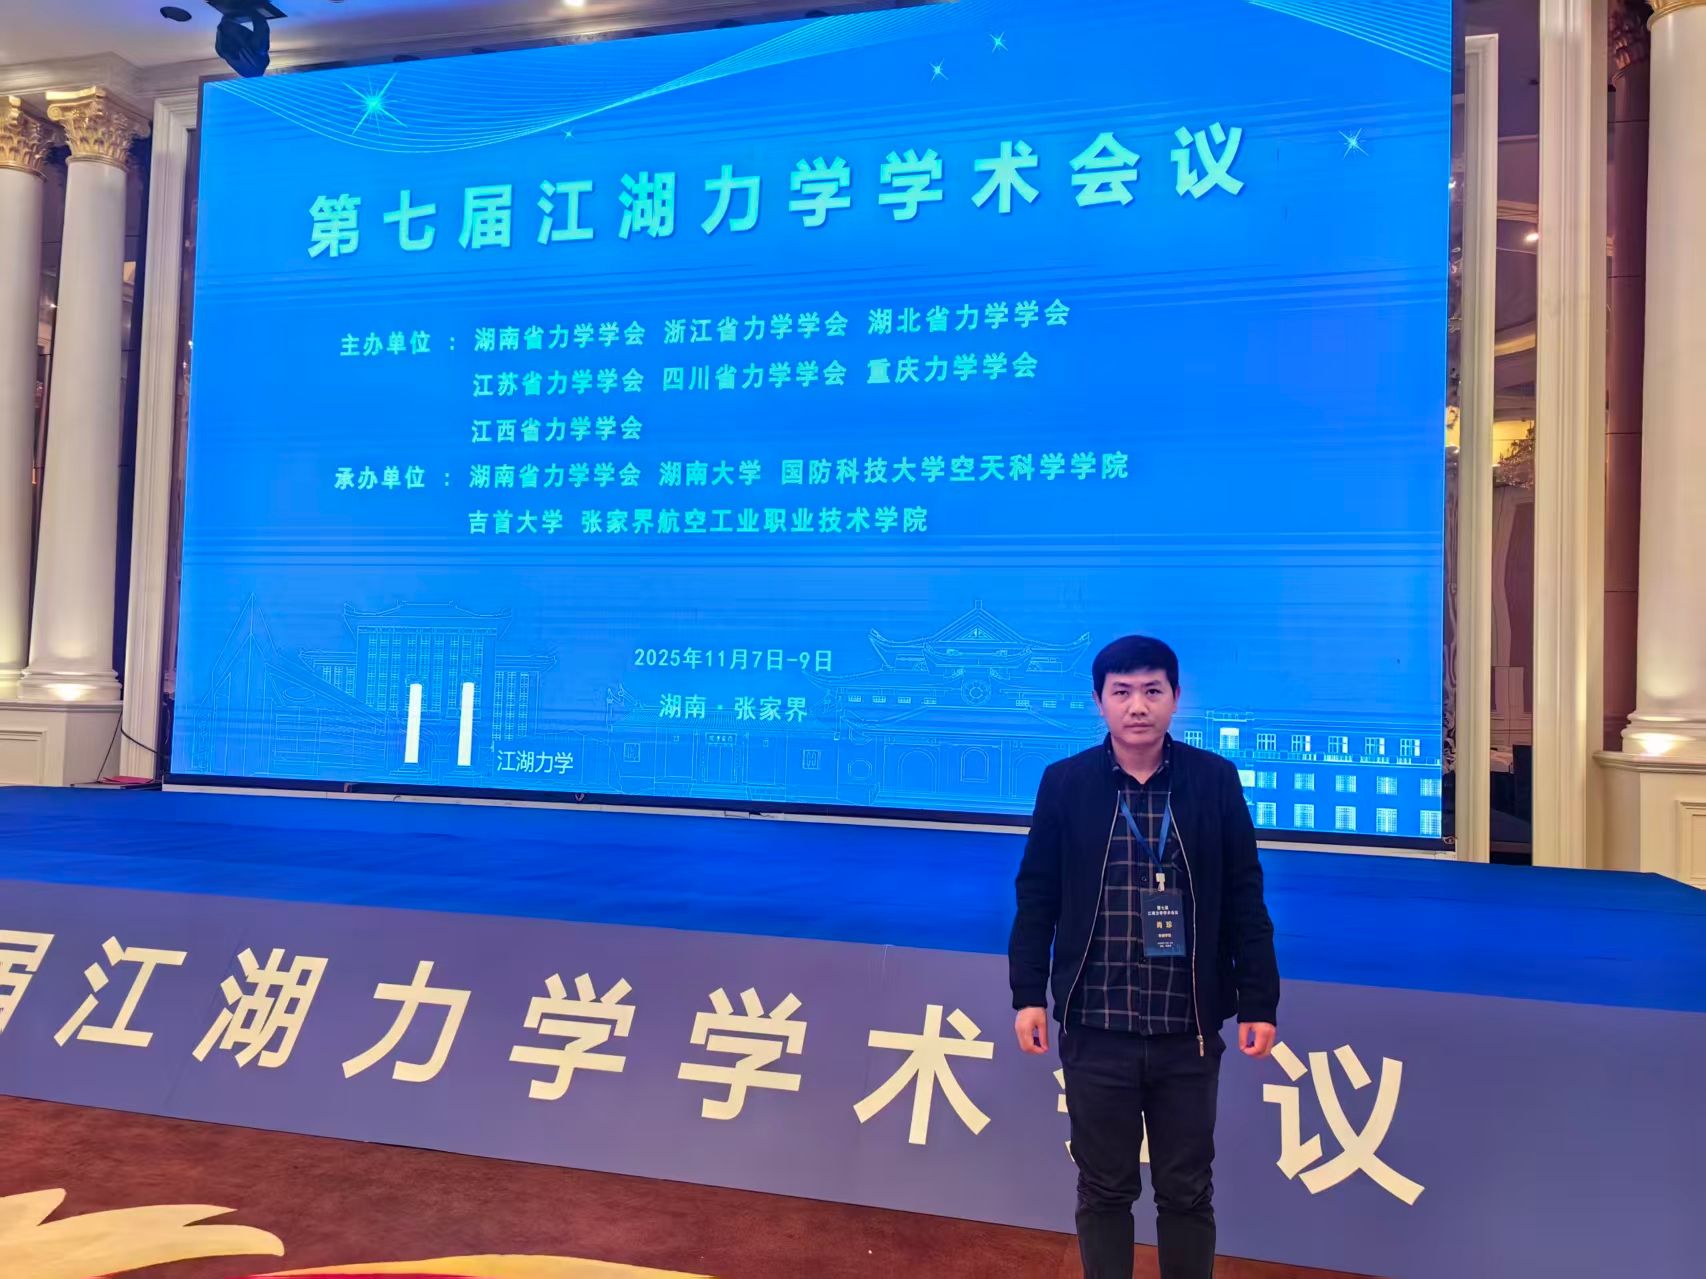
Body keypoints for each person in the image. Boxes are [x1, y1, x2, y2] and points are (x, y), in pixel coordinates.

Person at [1009, 635, 1279, 1279]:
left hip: (1187, 1030)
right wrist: (1027, 993)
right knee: (1104, 1189)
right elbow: (1037, 895)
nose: (1138, 706)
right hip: (1096, 1026)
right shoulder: (1066, 783)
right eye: (1122, 691)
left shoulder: (1213, 780)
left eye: (1152, 690)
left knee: (1186, 1192)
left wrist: (1258, 1001)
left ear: (1175, 698)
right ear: (1098, 701)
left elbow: (1245, 895)